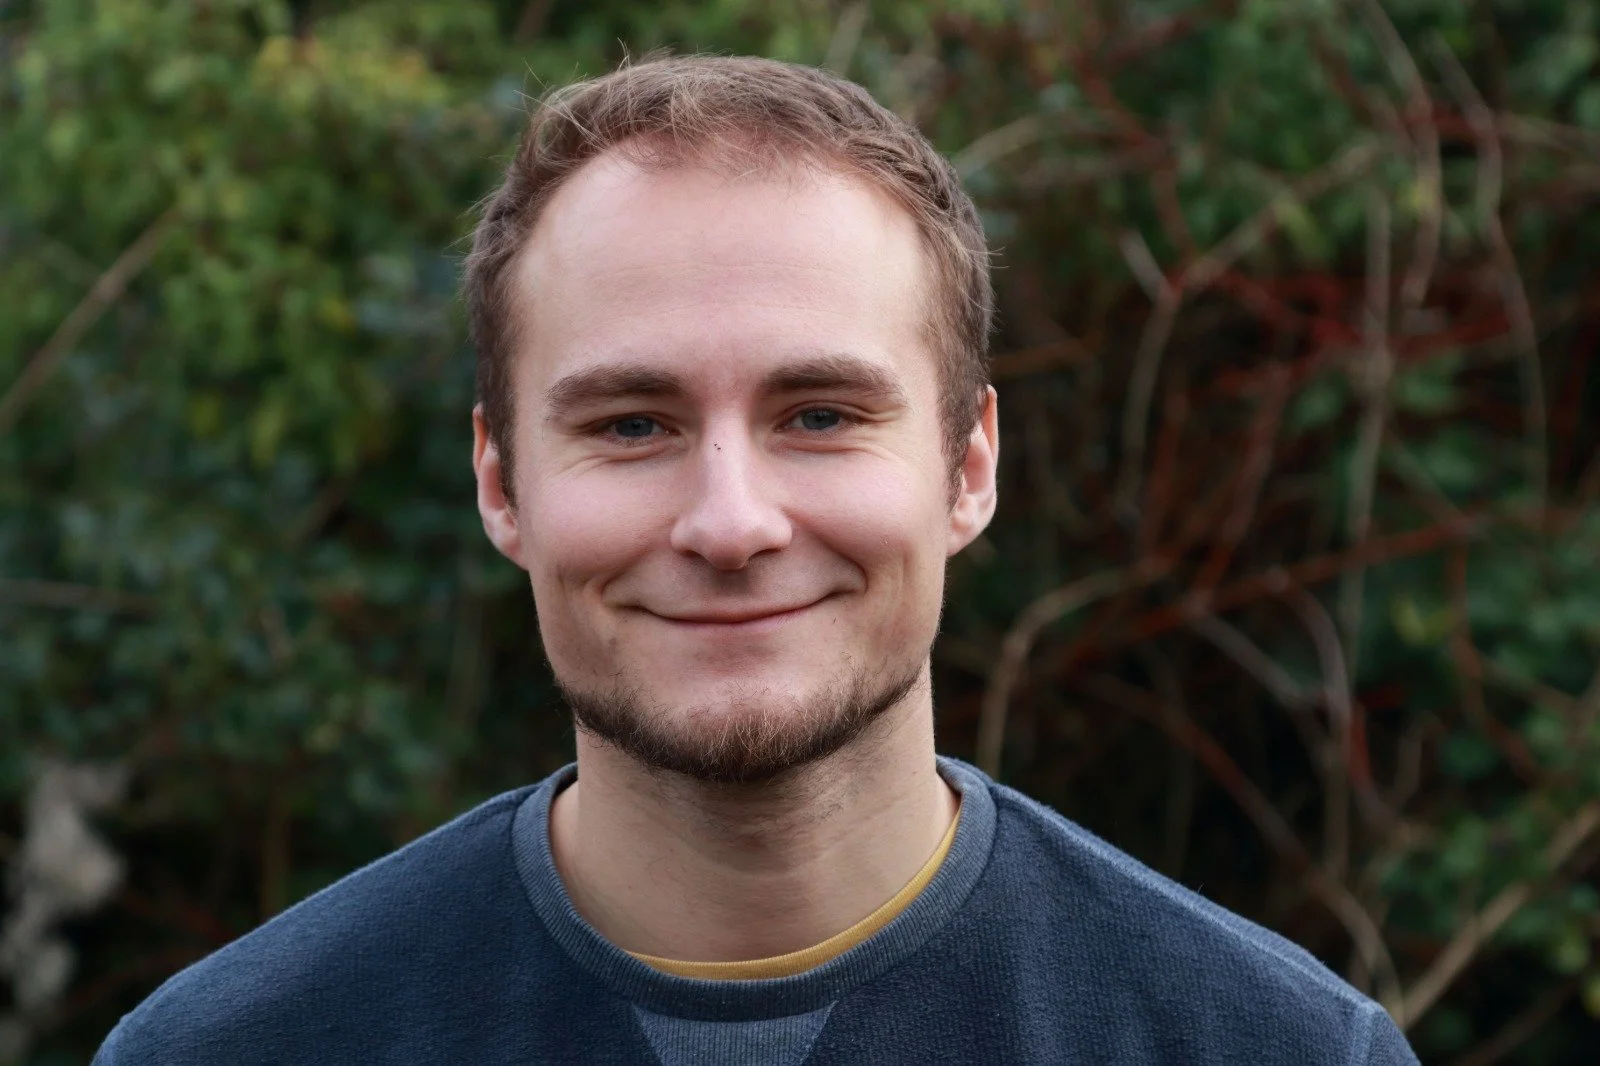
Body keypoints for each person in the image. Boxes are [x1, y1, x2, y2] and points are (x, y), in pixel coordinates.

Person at [94, 55, 1418, 1065]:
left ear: (969, 464)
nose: (731, 523)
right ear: (502, 483)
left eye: (821, 416)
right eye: (631, 424)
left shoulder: (1274, 1046)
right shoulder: (230, 1048)